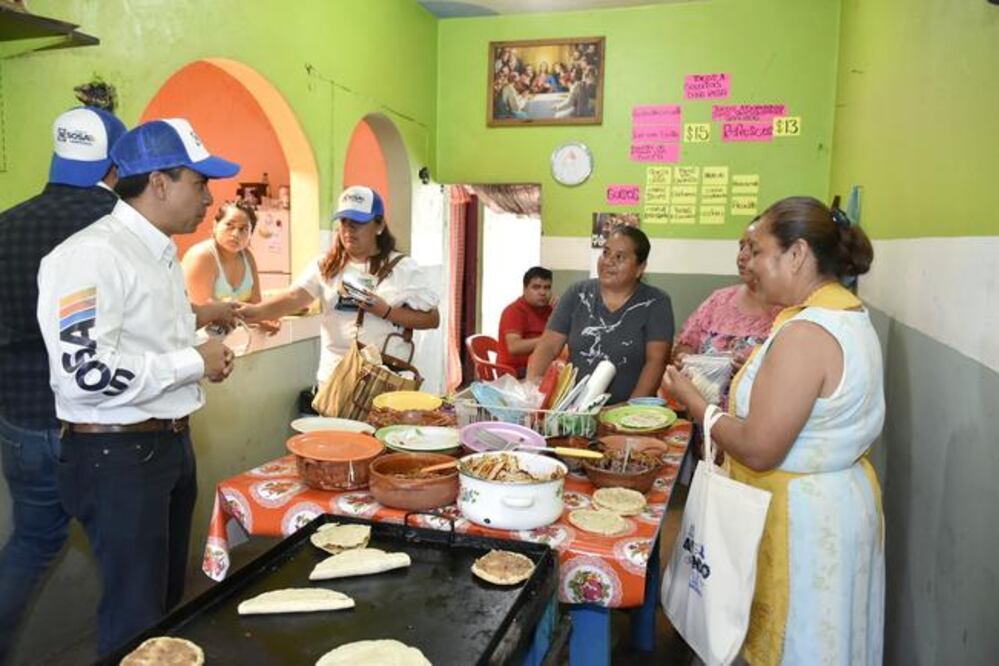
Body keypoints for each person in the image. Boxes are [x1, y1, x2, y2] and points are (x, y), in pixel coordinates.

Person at [35, 118, 240, 656]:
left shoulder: (159, 253)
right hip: (117, 454)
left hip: (165, 443)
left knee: (162, 605)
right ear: (159, 183)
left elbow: (148, 344)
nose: (209, 197)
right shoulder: (90, 255)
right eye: (200, 183)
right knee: (135, 617)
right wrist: (189, 362)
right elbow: (85, 372)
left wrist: (200, 354)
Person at [662, 196, 885, 665]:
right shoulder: (846, 315)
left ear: (797, 253)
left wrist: (695, 403)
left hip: (803, 522)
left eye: (759, 250)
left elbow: (760, 449)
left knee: (795, 643)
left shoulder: (807, 333)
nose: (751, 263)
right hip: (834, 504)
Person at [0, 106, 126, 664]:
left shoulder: (7, 225)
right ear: (115, 167)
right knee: (128, 560)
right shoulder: (120, 229)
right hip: (102, 424)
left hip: (23, 420)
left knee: (29, 547)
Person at [236, 185, 440, 388]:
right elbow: (293, 297)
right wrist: (254, 312)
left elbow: (432, 319)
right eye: (344, 222)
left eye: (358, 223)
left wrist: (385, 311)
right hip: (335, 382)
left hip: (384, 382)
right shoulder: (326, 265)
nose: (348, 230)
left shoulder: (402, 268)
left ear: (379, 226)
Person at [527, 226, 674, 405]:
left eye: (619, 257)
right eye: (606, 253)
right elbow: (548, 346)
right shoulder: (578, 293)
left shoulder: (656, 302)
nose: (608, 261)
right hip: (574, 414)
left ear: (640, 268)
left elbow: (656, 362)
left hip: (628, 414)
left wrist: (628, 412)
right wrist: (532, 394)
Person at [672, 219, 780, 365]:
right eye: (741, 247)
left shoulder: (791, 310)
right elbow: (684, 347)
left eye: (754, 249)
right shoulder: (719, 300)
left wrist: (750, 372)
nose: (742, 256)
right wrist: (684, 360)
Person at [182, 200, 263, 304]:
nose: (235, 234)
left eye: (243, 229)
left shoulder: (247, 257)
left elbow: (257, 304)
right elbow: (203, 310)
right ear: (215, 225)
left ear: (250, 234)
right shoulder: (201, 256)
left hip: (240, 321)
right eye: (230, 225)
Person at [496, 266, 554, 377]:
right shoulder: (514, 311)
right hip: (515, 373)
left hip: (539, 366)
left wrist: (561, 310)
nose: (542, 292)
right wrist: (548, 341)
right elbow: (514, 347)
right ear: (525, 289)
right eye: (536, 287)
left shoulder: (550, 310)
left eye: (547, 288)